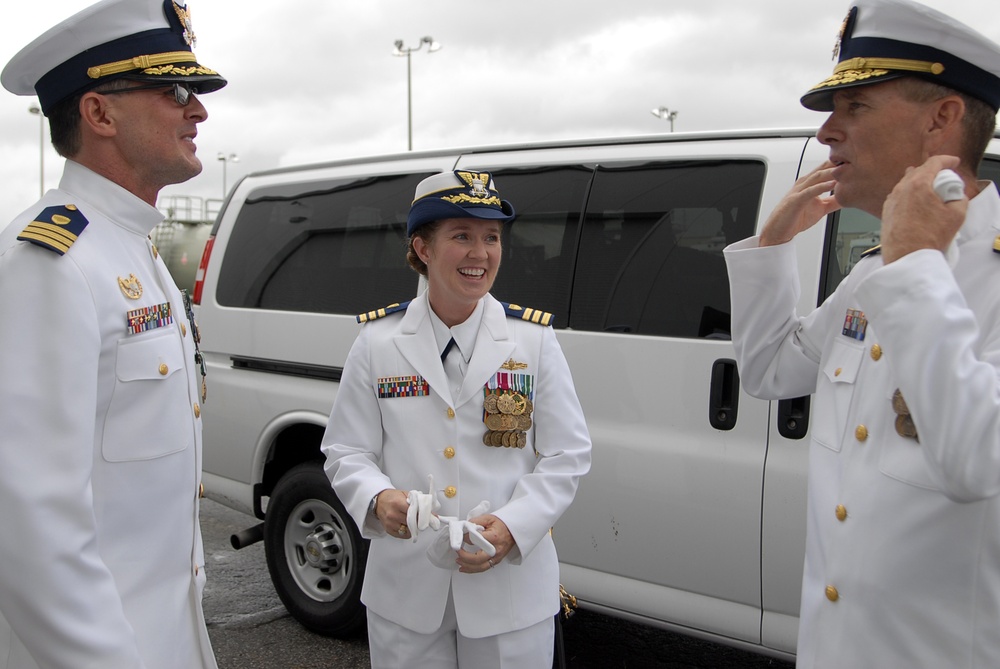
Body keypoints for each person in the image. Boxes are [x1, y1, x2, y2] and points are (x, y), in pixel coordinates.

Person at [723, 0, 1000, 665]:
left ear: (943, 117)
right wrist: (772, 247)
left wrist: (914, 266)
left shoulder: (916, 272)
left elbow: (976, 456)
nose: (826, 132)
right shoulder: (874, 274)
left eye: (856, 108)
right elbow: (769, 370)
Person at [0, 1, 226, 667]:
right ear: (98, 113)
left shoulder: (133, 249)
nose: (199, 111)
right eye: (176, 91)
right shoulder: (50, 260)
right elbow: (31, 521)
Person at [321, 170, 592, 668]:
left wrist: (513, 526)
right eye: (461, 236)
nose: (480, 253)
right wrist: (378, 499)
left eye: (491, 237)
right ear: (422, 249)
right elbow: (345, 451)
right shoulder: (378, 342)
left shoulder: (532, 341)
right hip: (405, 594)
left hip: (508, 594)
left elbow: (567, 455)